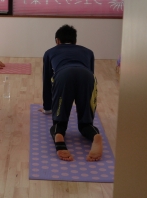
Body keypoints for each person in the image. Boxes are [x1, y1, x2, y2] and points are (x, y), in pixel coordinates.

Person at [39, 24, 102, 162]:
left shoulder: (50, 52)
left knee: (59, 122)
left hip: (63, 75)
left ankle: (59, 137)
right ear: (75, 41)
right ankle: (95, 136)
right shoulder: (88, 52)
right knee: (85, 124)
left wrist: (48, 108)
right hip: (87, 76)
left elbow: (47, 81)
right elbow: (91, 73)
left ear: (57, 41)